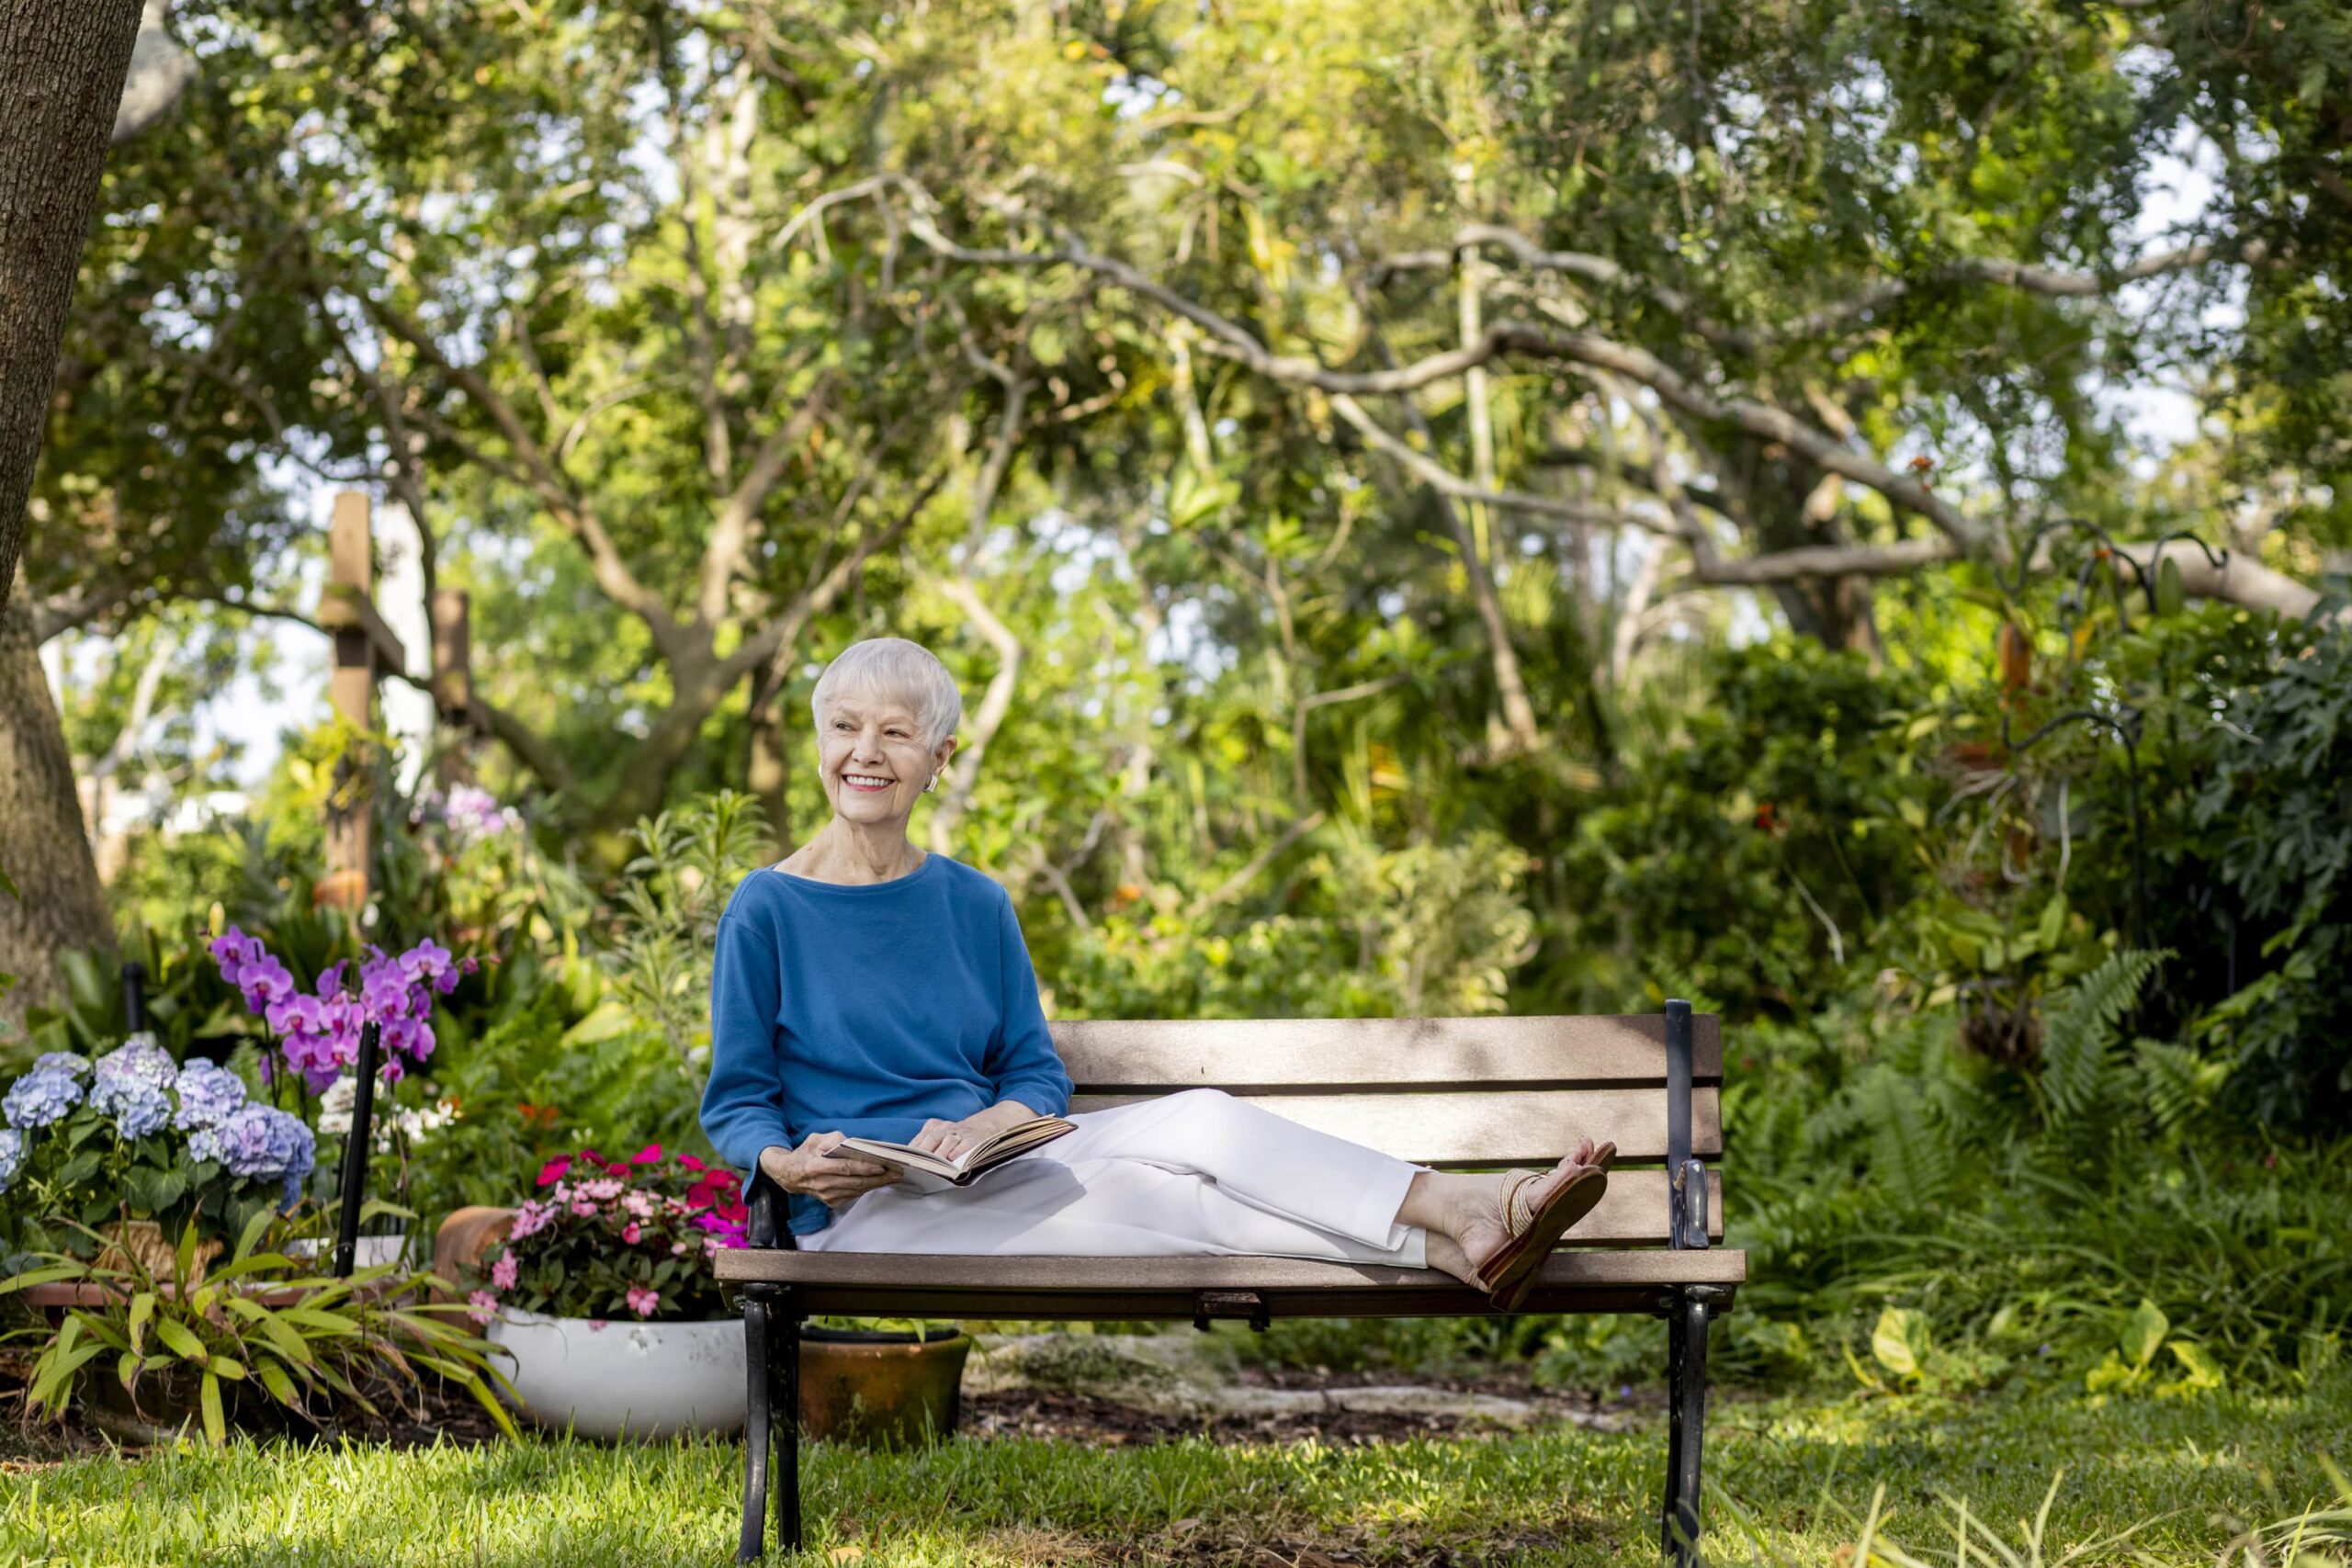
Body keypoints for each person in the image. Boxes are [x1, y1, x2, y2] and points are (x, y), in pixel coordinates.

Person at [699, 637, 1611, 1308]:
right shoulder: (768, 907)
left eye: (896, 733)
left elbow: (1033, 1075)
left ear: (937, 762)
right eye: (845, 727)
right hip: (867, 1218)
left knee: (1204, 1122)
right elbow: (737, 1101)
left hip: (989, 1174)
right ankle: (1460, 1231)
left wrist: (990, 1123)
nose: (866, 751)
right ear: (819, 743)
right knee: (1174, 1206)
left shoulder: (974, 904)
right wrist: (789, 1162)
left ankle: (1460, 1219)